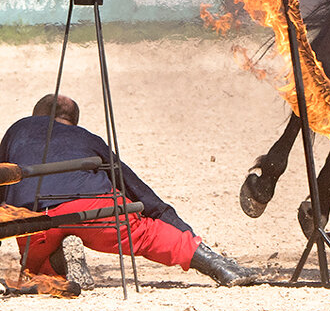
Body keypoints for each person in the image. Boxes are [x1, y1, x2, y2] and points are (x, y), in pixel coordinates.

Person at [0, 94, 256, 287]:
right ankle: (219, 266)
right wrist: (185, 232)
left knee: (33, 271)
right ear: (73, 122)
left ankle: (58, 263)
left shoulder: (17, 130)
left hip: (37, 221)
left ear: (36, 115)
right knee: (148, 235)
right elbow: (139, 193)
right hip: (94, 210)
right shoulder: (88, 138)